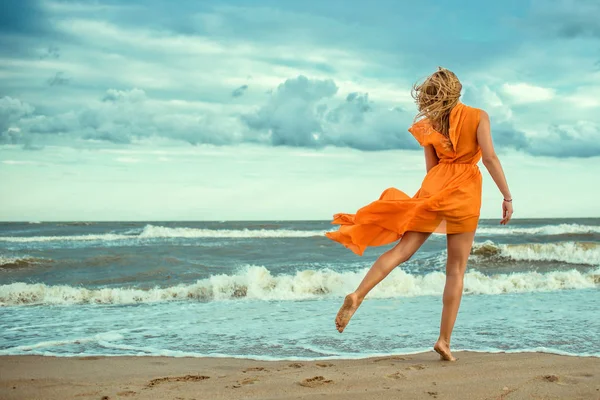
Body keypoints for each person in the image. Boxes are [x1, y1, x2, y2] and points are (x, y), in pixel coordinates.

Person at [325, 67, 513, 361]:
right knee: (455, 270)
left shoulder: (428, 125)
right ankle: (444, 341)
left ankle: (358, 294)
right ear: (457, 90)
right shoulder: (479, 116)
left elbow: (432, 169)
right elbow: (488, 157)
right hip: (464, 194)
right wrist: (506, 195)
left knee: (402, 251)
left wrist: (435, 193)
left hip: (435, 189)